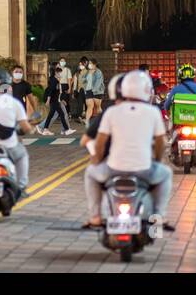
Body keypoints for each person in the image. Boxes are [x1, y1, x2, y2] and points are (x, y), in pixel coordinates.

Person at [83, 71, 172, 231]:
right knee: (166, 174)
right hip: (144, 170)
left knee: (90, 173)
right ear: (147, 90)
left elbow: (100, 142)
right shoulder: (153, 112)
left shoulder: (111, 112)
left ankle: (95, 217)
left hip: (113, 169)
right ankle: (159, 215)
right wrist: (157, 160)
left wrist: (97, 159)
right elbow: (161, 143)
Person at [39, 63, 75, 135]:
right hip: (53, 100)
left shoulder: (55, 80)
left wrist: (60, 100)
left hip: (55, 100)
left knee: (51, 115)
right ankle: (66, 130)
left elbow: (56, 92)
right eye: (60, 72)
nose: (61, 74)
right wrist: (48, 100)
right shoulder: (54, 80)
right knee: (61, 114)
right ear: (55, 72)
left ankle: (45, 129)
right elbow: (51, 91)